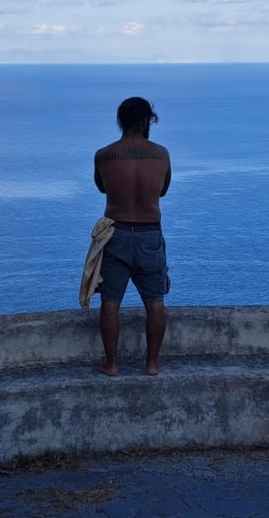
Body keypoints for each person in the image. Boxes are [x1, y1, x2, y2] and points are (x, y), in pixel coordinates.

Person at [92, 97, 171, 376]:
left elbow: (102, 187)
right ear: (147, 121)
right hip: (150, 234)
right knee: (155, 301)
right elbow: (162, 191)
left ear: (120, 121)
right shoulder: (161, 154)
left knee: (111, 301)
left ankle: (111, 364)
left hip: (117, 233)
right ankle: (152, 363)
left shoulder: (104, 155)